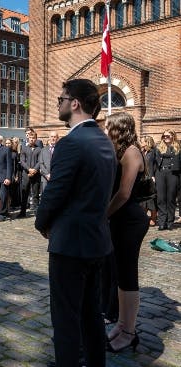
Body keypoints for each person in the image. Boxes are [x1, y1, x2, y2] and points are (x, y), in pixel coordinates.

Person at [35, 79, 116, 367]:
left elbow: (55, 192)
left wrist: (41, 223)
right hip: (97, 241)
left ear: (75, 103)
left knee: (67, 318)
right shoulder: (104, 141)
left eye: (61, 99)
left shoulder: (72, 142)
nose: (57, 103)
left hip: (70, 245)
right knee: (91, 314)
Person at [104, 112, 149, 353]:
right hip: (120, 219)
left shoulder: (131, 151)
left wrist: (103, 216)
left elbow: (124, 193)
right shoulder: (120, 151)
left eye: (108, 127)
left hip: (130, 220)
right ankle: (122, 324)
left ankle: (129, 332)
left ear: (119, 129)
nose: (105, 130)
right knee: (120, 275)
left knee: (128, 276)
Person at [154, 129, 180, 230]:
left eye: (168, 136)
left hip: (173, 174)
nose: (165, 138)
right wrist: (152, 175)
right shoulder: (158, 147)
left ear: (173, 136)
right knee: (161, 198)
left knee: (171, 198)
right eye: (164, 136)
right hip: (160, 174)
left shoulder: (178, 147)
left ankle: (170, 222)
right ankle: (161, 222)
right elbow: (152, 163)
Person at [19, 132, 42, 217]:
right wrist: (29, 169)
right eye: (30, 138)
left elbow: (40, 161)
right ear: (28, 138)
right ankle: (22, 212)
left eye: (33, 138)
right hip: (26, 174)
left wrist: (34, 170)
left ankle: (36, 212)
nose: (32, 139)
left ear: (36, 139)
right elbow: (22, 161)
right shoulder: (24, 148)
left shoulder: (39, 149)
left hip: (36, 175)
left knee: (35, 194)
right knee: (25, 193)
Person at [140, 136, 158, 226]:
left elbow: (156, 165)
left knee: (151, 200)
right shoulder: (142, 152)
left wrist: (154, 176)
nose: (140, 142)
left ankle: (153, 218)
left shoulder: (153, 152)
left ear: (147, 142)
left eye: (142, 141)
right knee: (144, 200)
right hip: (143, 178)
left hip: (151, 177)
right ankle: (144, 217)